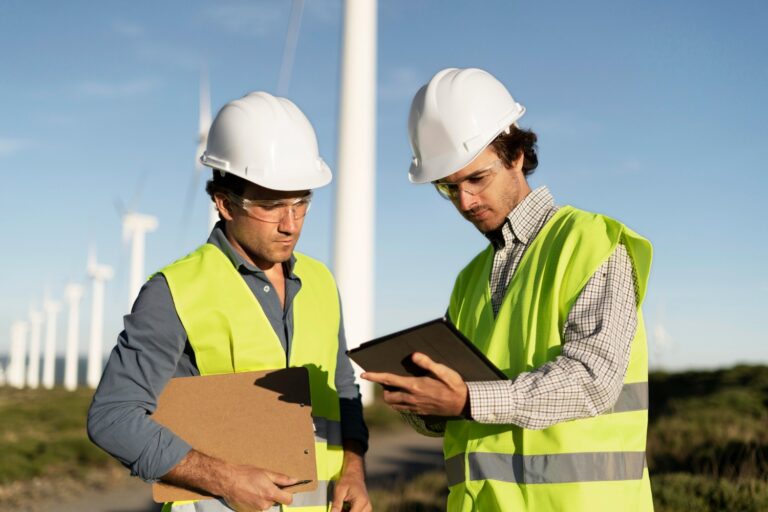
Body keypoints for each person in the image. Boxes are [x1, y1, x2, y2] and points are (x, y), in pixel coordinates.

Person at [362, 68, 654, 511]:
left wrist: (467, 398)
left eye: (476, 179)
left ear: (516, 154)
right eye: (448, 187)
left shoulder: (590, 242)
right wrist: (422, 401)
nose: (464, 202)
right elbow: (462, 411)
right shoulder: (469, 279)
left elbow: (594, 380)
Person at [88, 92, 371, 512]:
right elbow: (113, 417)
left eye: (301, 203)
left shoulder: (322, 281)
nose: (290, 224)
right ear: (224, 203)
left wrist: (353, 468)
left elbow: (343, 388)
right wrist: (224, 479)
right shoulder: (175, 290)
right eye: (271, 206)